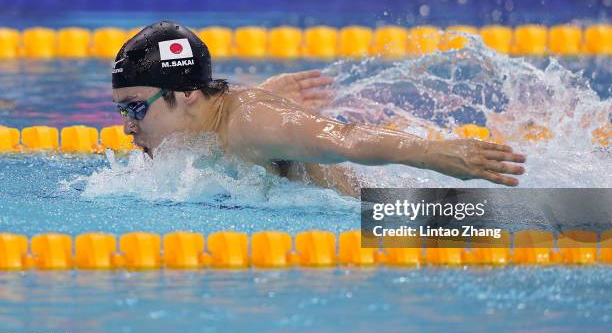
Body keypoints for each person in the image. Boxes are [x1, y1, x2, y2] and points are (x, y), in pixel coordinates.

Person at [111, 21, 526, 197]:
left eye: (135, 109)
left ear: (186, 94)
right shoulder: (196, 128)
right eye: (122, 111)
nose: (128, 127)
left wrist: (437, 154)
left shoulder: (251, 123)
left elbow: (346, 139)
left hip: (375, 211)